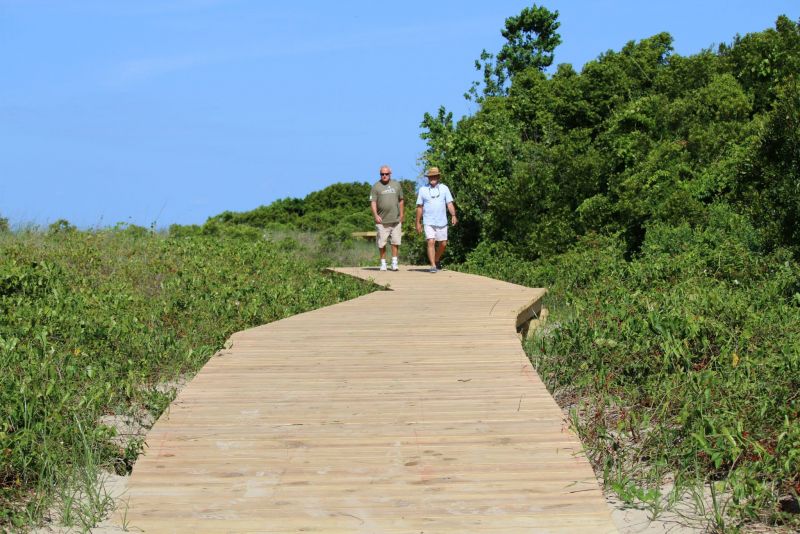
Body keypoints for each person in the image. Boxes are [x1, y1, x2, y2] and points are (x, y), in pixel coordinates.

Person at [415, 167, 457, 273]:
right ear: (428, 178)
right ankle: (433, 265)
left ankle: (436, 259)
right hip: (428, 221)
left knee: (443, 243)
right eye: (430, 176)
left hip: (442, 220)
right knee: (431, 241)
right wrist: (418, 222)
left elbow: (449, 203)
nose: (432, 178)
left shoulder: (444, 188)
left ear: (438, 177)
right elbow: (419, 207)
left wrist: (453, 215)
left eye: (434, 176)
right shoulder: (423, 189)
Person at [369, 165, 404, 271]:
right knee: (382, 243)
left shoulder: (396, 185)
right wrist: (375, 215)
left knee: (395, 242)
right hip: (382, 221)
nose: (384, 176)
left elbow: (401, 200)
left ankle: (394, 262)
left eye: (386, 174)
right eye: (382, 174)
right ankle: (383, 263)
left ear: (390, 174)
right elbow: (373, 202)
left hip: (395, 219)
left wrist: (402, 214)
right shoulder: (376, 186)